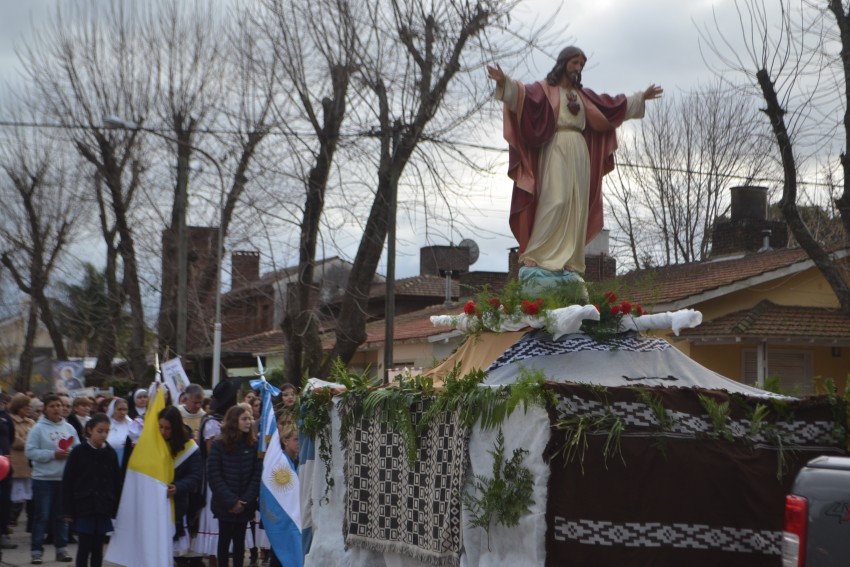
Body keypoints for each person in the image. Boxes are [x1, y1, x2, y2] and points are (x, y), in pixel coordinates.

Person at [487, 47, 662, 279]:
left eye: (581, 64)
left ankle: (571, 259)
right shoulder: (545, 90)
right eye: (574, 63)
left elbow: (610, 108)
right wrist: (505, 83)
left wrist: (640, 98)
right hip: (556, 146)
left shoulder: (583, 96)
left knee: (576, 204)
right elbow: (523, 97)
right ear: (562, 63)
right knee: (556, 199)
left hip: (580, 153)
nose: (578, 68)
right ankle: (537, 254)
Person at [192, 377, 242, 567]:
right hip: (217, 477)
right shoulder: (213, 423)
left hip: (232, 476)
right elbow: (214, 453)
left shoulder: (226, 421)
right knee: (219, 523)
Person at [25, 394, 80, 564]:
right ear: (45, 409)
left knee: (62, 517)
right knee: (41, 516)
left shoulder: (69, 428)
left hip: (63, 479)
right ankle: (36, 551)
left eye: (60, 405)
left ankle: (62, 550)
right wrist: (52, 454)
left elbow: (78, 449)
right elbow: (30, 452)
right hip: (43, 480)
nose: (58, 409)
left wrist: (72, 455)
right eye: (53, 406)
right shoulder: (38, 429)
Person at [61, 413, 121, 567]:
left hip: (103, 506)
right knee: (84, 547)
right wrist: (68, 510)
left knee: (98, 548)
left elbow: (116, 481)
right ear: (89, 430)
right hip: (84, 506)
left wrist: (114, 507)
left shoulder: (110, 454)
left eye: (106, 431)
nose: (103, 435)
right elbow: (68, 481)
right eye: (99, 431)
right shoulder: (78, 452)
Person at [207, 405, 261, 567]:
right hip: (225, 505)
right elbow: (215, 476)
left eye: (250, 419)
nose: (249, 422)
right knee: (224, 540)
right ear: (233, 421)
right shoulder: (219, 445)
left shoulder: (254, 445)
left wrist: (245, 500)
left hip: (245, 504)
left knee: (239, 542)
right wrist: (231, 501)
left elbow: (257, 475)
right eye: (244, 419)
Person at [158, 406, 204, 567]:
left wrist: (178, 487)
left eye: (168, 428)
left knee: (174, 552)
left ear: (176, 428)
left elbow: (195, 476)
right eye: (160, 427)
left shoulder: (189, 448)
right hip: (154, 507)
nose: (163, 432)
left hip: (177, 505)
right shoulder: (154, 444)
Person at [267, 420, 300, 567]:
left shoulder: (296, 460)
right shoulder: (281, 463)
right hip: (283, 519)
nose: (299, 443)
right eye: (296, 439)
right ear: (286, 441)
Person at [8, 393, 35, 537]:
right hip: (17, 463)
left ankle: (30, 524)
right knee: (15, 496)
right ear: (18, 408)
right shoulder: (11, 421)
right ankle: (10, 521)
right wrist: (30, 443)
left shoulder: (31, 422)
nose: (28, 409)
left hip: (30, 464)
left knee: (30, 496)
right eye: (26, 407)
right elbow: (15, 441)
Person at [0, 393, 15, 550]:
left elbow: (10, 437)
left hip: (4, 467)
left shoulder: (5, 416)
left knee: (4, 501)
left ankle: (3, 533)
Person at [106, 398, 136, 471]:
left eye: (125, 409)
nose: (122, 412)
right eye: (119, 409)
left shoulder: (131, 425)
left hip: (128, 462)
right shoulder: (106, 425)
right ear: (113, 410)